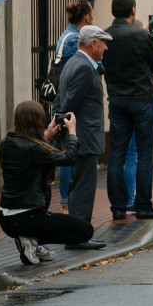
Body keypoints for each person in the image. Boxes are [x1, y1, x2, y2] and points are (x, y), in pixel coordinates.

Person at [0, 101, 95, 264]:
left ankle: (30, 241)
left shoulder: (6, 142)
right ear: (38, 121)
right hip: (27, 218)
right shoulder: (35, 149)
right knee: (85, 231)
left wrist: (47, 137)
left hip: (6, 218)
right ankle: (31, 240)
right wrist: (72, 132)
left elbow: (31, 153)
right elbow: (68, 158)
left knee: (44, 185)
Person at [102, 0, 153, 220]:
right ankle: (144, 206)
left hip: (117, 100)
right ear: (133, 11)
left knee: (117, 154)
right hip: (142, 101)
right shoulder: (141, 35)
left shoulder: (105, 36)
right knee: (144, 155)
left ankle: (118, 207)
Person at [53, 24, 110, 250]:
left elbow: (60, 99)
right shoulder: (85, 68)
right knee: (84, 188)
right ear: (93, 44)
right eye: (103, 43)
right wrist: (61, 121)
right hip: (84, 137)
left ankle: (76, 234)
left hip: (80, 136)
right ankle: (78, 237)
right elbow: (68, 104)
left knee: (79, 187)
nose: (106, 47)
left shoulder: (73, 63)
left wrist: (58, 119)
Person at [55, 0, 93, 215]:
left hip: (64, 97)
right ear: (86, 17)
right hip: (70, 100)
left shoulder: (66, 35)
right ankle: (67, 201)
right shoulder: (74, 39)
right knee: (68, 150)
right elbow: (76, 70)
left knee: (67, 149)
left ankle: (68, 200)